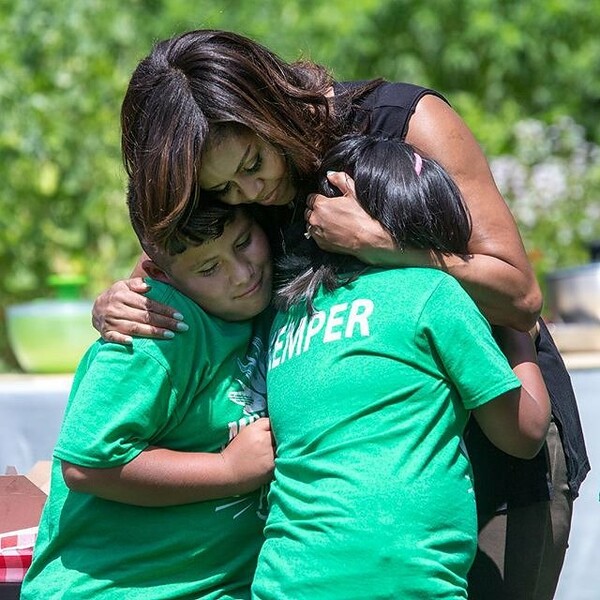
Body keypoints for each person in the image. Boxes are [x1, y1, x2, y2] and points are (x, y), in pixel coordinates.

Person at [92, 29, 589, 599]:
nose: (253, 191)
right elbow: (175, 268)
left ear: (270, 103)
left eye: (255, 162)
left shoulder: (405, 122)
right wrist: (120, 302)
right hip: (346, 504)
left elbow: (520, 296)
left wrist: (383, 244)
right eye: (224, 188)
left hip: (494, 440)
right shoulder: (225, 174)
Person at [251, 134, 550, 598]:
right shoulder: (433, 293)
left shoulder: (288, 318)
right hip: (407, 580)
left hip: (286, 579)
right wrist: (516, 335)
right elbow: (525, 433)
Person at [21, 195, 275, 599]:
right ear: (161, 274)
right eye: (209, 268)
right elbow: (87, 465)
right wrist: (227, 470)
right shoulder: (155, 327)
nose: (242, 274)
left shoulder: (260, 301)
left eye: (244, 241)